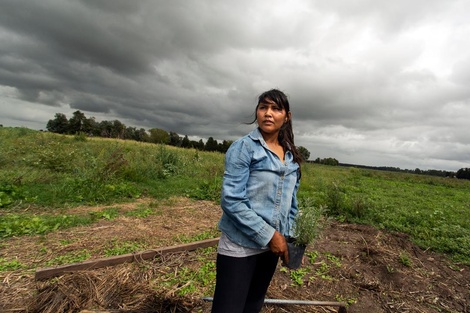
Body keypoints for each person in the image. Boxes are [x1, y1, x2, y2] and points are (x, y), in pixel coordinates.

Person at [211, 89, 303, 313]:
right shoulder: (244, 148)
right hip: (240, 245)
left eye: (275, 108)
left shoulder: (290, 156)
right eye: (263, 107)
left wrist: (289, 239)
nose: (268, 113)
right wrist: (271, 235)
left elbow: (291, 203)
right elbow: (232, 200)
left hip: (270, 248)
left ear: (287, 116)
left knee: (253, 306)